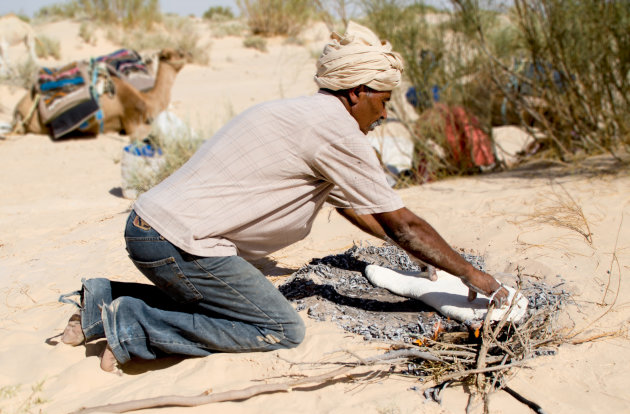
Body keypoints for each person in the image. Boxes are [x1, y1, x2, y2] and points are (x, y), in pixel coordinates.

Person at [60, 22, 508, 372]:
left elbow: (355, 206)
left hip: (151, 229)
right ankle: (132, 327)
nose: (385, 113)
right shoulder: (336, 130)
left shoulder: (305, 114)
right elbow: (402, 221)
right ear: (357, 93)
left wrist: (408, 249)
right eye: (384, 100)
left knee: (225, 300)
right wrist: (471, 274)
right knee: (278, 327)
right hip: (179, 245)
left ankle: (102, 300)